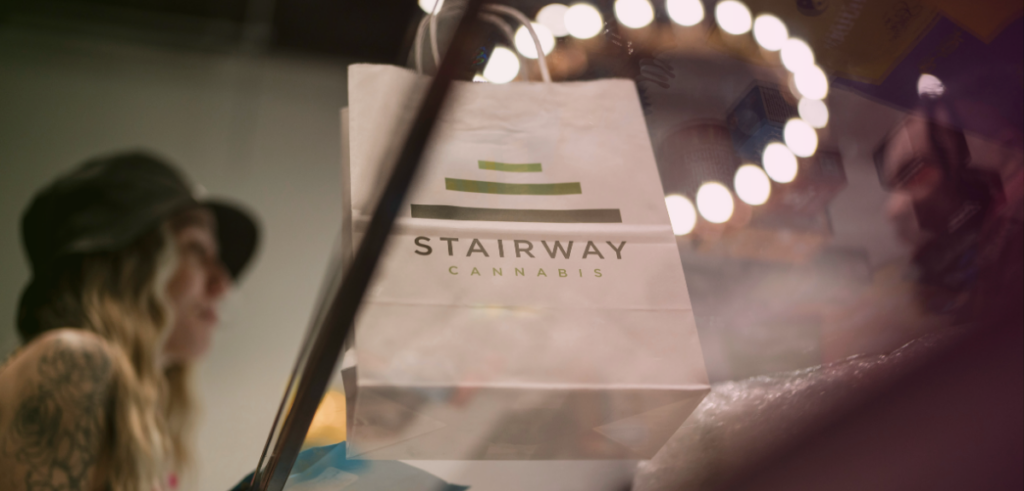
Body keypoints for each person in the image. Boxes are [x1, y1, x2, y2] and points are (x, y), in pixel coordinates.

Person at [0, 152, 258, 491]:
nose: (223, 283)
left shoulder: (142, 413)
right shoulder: (71, 360)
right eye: (197, 249)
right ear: (130, 265)